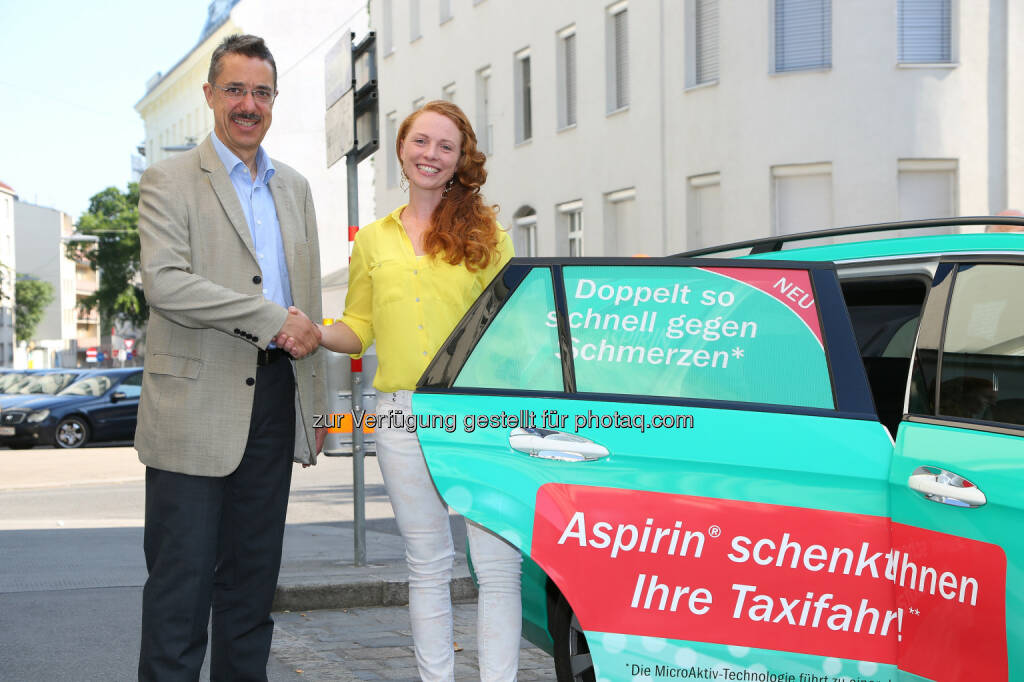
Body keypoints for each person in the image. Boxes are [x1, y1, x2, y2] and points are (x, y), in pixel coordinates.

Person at [284, 100, 522, 681]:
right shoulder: (372, 240)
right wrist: (316, 332)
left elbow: (512, 330)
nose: (431, 155)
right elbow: (359, 326)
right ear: (401, 148)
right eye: (422, 142)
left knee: (496, 568)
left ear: (460, 159)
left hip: (479, 414)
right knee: (427, 564)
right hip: (400, 417)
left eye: (445, 146)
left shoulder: (490, 235)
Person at [136, 33, 327, 681]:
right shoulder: (169, 179)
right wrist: (271, 321)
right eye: (236, 89)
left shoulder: (294, 188)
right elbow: (167, 285)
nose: (249, 103)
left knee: (251, 591)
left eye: (262, 92)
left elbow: (306, 301)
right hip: (192, 406)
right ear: (211, 95)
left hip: (273, 405)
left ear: (274, 100)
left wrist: (315, 409)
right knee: (180, 591)